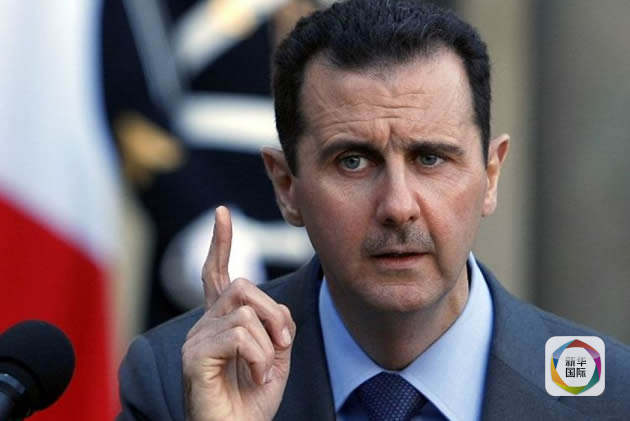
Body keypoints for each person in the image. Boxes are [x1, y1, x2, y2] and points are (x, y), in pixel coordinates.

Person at [117, 1, 630, 420]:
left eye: (431, 158)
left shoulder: (611, 393)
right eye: (354, 161)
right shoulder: (175, 384)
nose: (398, 207)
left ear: (490, 175)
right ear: (286, 186)